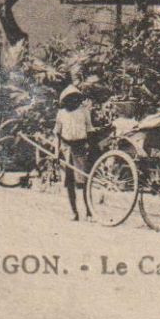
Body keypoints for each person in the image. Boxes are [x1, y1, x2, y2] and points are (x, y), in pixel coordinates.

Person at [54, 85, 96, 221]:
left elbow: (90, 130)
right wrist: (56, 153)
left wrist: (92, 147)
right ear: (65, 100)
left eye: (74, 98)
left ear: (77, 99)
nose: (72, 101)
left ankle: (89, 212)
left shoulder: (84, 112)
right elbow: (57, 135)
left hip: (80, 148)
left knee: (83, 181)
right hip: (66, 148)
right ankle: (74, 212)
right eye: (69, 99)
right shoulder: (61, 113)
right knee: (69, 182)